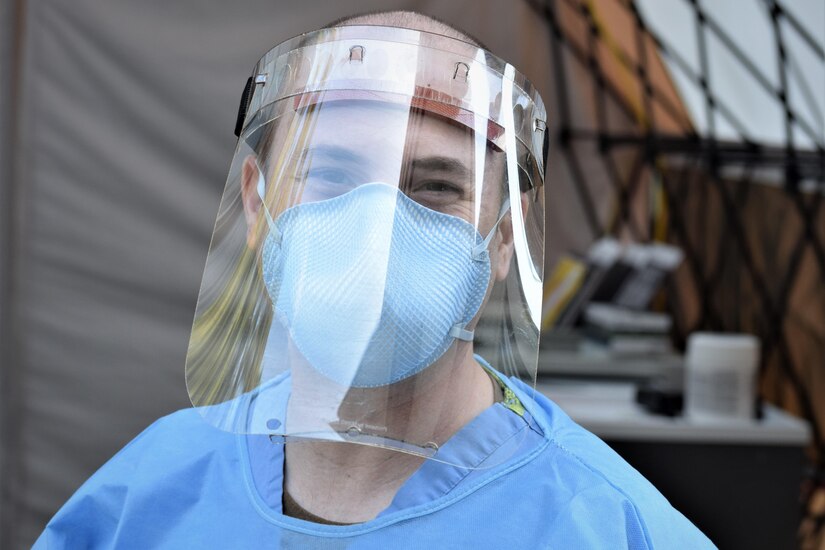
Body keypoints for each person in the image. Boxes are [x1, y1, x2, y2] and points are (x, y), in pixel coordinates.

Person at [35, 10, 713, 548]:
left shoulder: (604, 527)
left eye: (435, 187)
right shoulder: (145, 498)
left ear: (503, 236)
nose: (375, 229)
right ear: (255, 202)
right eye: (329, 174)